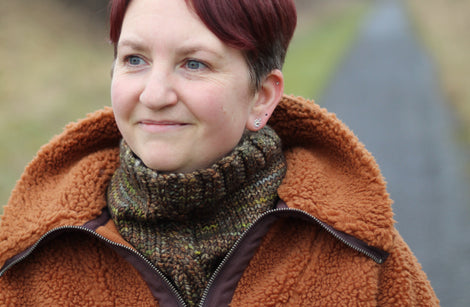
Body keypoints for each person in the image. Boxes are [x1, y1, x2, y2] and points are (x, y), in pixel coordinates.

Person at [0, 0, 439, 305]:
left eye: (194, 64)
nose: (154, 94)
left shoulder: (357, 250)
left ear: (262, 96)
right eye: (134, 59)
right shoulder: (31, 256)